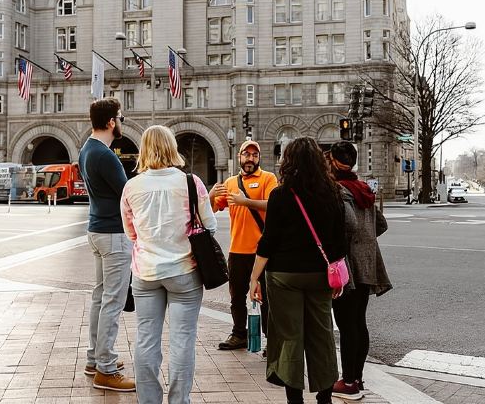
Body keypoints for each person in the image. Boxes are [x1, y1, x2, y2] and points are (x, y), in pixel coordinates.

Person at [121, 125, 217, 404]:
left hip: (146, 272)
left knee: (146, 339)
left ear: (144, 150)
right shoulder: (190, 182)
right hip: (184, 271)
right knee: (183, 340)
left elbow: (130, 232)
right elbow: (209, 225)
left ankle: (148, 400)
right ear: (171, 147)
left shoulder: (132, 186)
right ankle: (179, 400)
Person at [250, 137, 347, 404]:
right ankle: (324, 397)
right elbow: (340, 240)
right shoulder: (333, 193)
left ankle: (295, 399)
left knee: (289, 336)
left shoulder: (280, 195)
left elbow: (268, 241)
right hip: (320, 274)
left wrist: (254, 277)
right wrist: (337, 275)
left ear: (288, 161)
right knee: (322, 335)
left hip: (284, 275)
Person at [326, 142, 392, 400]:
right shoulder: (363, 188)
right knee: (358, 322)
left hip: (347, 265)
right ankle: (358, 377)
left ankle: (349, 381)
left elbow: (348, 225)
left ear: (333, 162)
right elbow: (381, 225)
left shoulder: (337, 190)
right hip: (368, 263)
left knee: (346, 324)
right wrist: (366, 241)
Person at [77, 98, 135, 392]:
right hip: (114, 234)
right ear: (111, 122)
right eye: (120, 118)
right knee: (112, 300)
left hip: (97, 229)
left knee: (101, 298)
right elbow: (127, 195)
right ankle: (106, 369)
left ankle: (95, 359)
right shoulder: (106, 155)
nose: (121, 122)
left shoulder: (87, 149)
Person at [209, 140, 278, 351]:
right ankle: (239, 334)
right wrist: (211, 195)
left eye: (254, 155)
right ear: (239, 157)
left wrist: (245, 202)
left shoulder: (268, 178)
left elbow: (273, 205)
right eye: (246, 154)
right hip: (237, 250)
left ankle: (271, 340)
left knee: (267, 298)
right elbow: (212, 210)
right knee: (236, 297)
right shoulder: (231, 182)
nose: (250, 159)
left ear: (259, 158)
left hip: (263, 252)